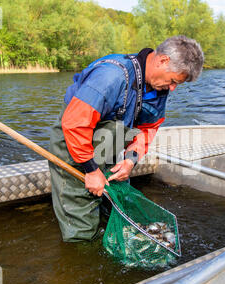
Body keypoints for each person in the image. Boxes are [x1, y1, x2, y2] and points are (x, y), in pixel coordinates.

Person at [49, 35, 204, 242]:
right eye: (174, 80)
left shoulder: (158, 86)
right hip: (75, 142)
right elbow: (76, 123)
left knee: (114, 202)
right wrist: (91, 169)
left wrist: (131, 159)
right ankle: (82, 248)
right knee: (81, 215)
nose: (173, 88)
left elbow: (147, 129)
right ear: (163, 61)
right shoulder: (112, 76)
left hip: (109, 143)